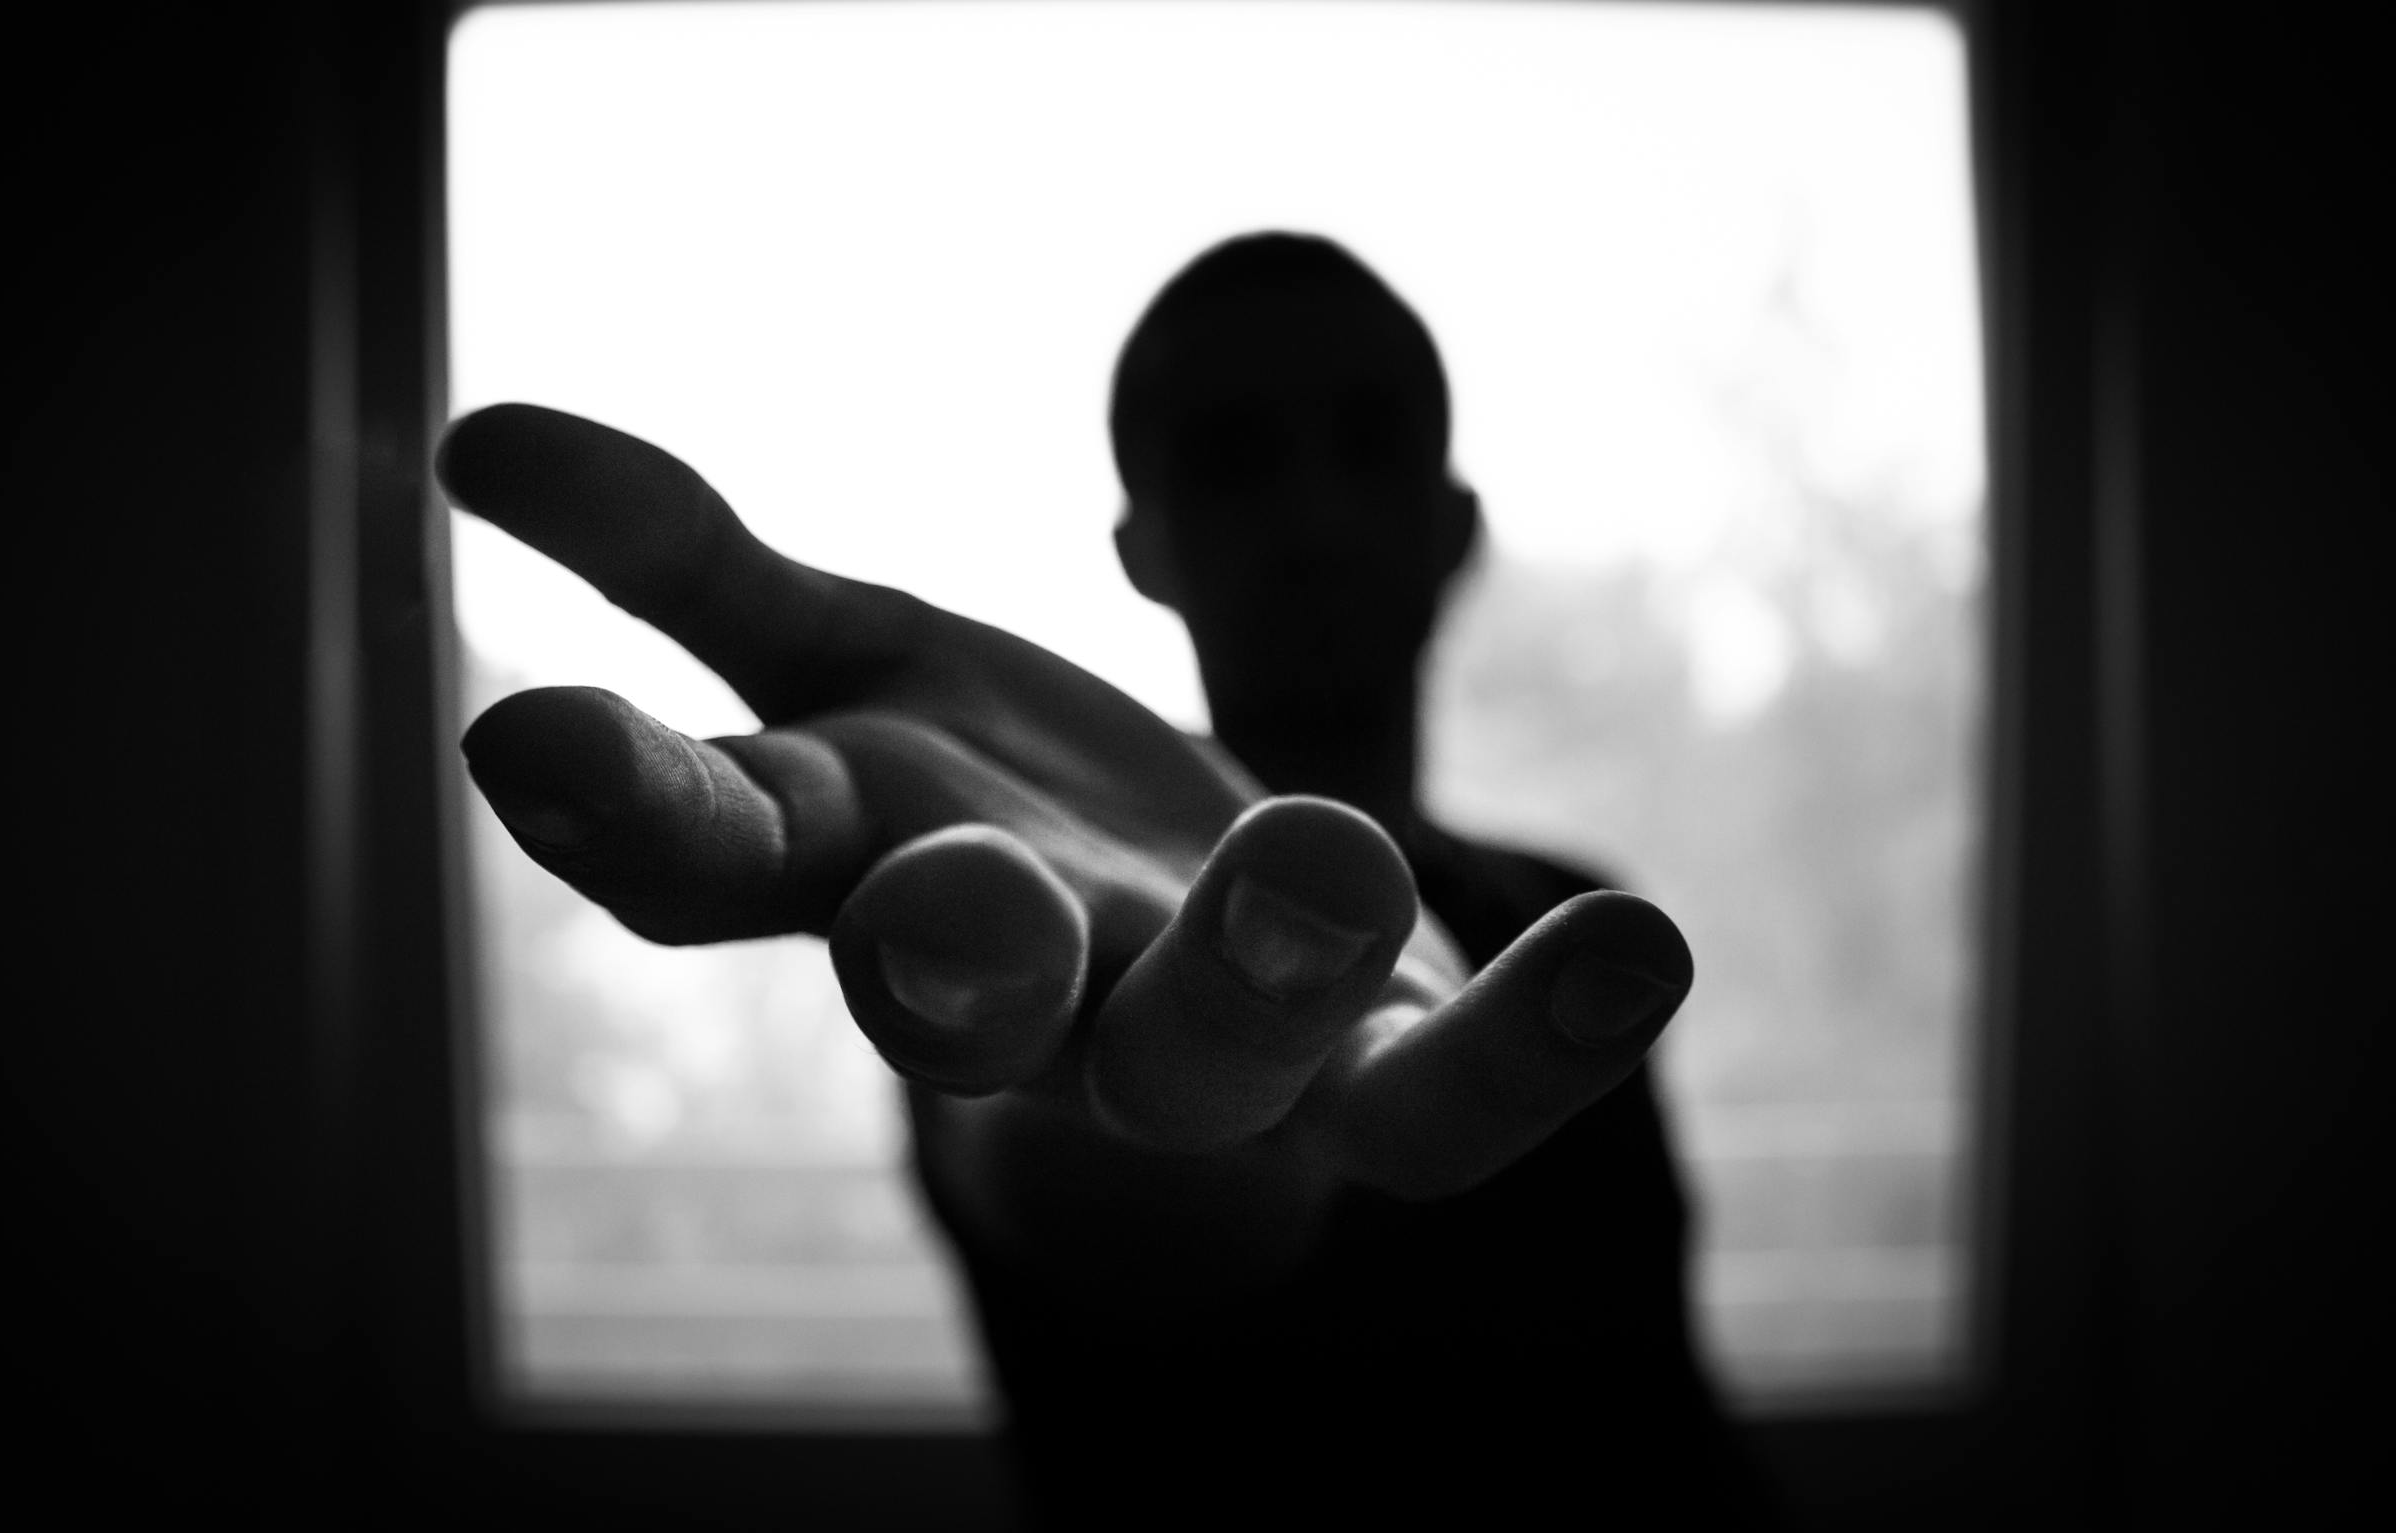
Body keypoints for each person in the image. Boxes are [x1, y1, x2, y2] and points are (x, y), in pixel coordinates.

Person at [439, 232, 1778, 1526]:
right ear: (1142, 547)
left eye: (1368, 438)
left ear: (1456, 522)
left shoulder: (1568, 909)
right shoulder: (1043, 929)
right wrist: (1165, 1096)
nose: (1311, 511)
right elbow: (1086, 1182)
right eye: (1230, 458)